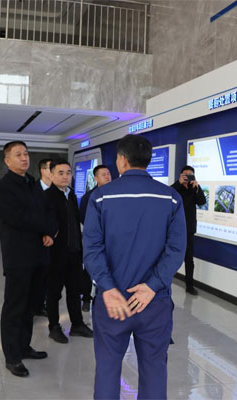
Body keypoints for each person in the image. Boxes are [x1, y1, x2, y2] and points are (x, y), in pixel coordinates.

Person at [83, 134, 186, 400]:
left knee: (107, 370)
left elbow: (92, 249)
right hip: (154, 302)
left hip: (112, 301)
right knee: (154, 370)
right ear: (147, 160)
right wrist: (152, 286)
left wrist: (108, 287)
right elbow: (176, 249)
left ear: (121, 160)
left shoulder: (101, 197)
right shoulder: (171, 198)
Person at [0, 141, 57, 378]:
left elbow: (48, 210)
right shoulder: (4, 187)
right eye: (18, 154)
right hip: (18, 257)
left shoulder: (32, 183)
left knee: (31, 306)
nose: (24, 158)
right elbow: (18, 218)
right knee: (15, 307)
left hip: (39, 255)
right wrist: (43, 226)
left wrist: (50, 232)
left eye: (26, 154)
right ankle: (12, 356)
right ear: (7, 160)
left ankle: (24, 346)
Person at [45, 159, 94, 343]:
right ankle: (54, 327)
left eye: (68, 173)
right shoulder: (47, 196)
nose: (65, 176)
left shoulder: (71, 195)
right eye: (60, 173)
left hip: (74, 252)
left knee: (74, 291)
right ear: (51, 175)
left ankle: (77, 324)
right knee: (54, 292)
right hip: (55, 254)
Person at [78, 164, 112, 312]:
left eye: (108, 174)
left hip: (112, 239)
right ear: (96, 178)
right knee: (90, 268)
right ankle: (86, 298)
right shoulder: (89, 197)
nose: (108, 176)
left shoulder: (114, 194)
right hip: (95, 239)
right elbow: (83, 217)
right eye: (103, 174)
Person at [171, 166, 207, 295]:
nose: (187, 176)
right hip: (175, 229)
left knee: (189, 259)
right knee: (171, 257)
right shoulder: (176, 188)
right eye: (185, 174)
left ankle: (189, 285)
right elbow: (168, 195)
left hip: (189, 229)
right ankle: (165, 282)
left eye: (190, 174)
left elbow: (202, 202)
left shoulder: (194, 188)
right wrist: (178, 183)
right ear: (180, 175)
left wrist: (197, 188)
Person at [33, 158, 53, 317]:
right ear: (42, 170)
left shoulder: (59, 191)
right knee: (36, 276)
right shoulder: (32, 189)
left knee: (49, 276)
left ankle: (42, 304)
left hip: (54, 241)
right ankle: (34, 304)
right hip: (35, 241)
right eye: (50, 168)